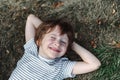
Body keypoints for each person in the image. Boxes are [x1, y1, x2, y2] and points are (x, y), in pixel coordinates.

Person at [9, 14, 101, 80]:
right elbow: (31, 19)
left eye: (63, 42)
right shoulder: (31, 50)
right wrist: (44, 31)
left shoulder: (62, 67)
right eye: (52, 38)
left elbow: (95, 64)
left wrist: (72, 44)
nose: (57, 43)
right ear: (39, 41)